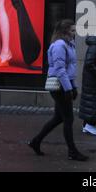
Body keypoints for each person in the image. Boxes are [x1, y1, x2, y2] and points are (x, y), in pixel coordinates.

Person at [27, 19, 88, 161]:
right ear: (65, 31)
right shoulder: (60, 45)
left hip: (64, 85)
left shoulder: (68, 44)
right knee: (68, 118)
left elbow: (70, 69)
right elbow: (60, 70)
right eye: (72, 30)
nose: (75, 33)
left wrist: (74, 87)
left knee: (58, 118)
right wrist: (68, 89)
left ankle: (36, 142)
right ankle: (72, 152)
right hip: (59, 86)